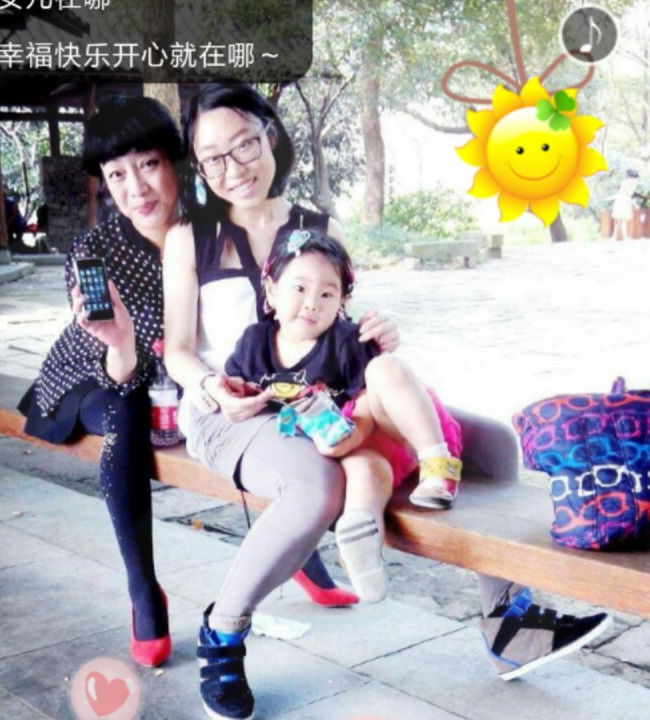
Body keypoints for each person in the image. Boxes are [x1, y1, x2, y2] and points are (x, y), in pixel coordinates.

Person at [163, 83, 611, 720]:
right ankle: (224, 631)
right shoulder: (192, 236)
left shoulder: (321, 226)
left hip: (329, 400)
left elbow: (341, 327)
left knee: (490, 446)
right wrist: (211, 387)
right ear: (199, 165)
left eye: (244, 145)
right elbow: (179, 351)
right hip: (234, 409)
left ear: (270, 135)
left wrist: (379, 332)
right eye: (213, 158)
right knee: (317, 485)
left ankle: (506, 622)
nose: (233, 168)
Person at [17, 94, 344, 671]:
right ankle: (144, 591)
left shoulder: (211, 224)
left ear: (176, 161)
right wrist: (122, 343)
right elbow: (121, 368)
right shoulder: (95, 250)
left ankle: (300, 554)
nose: (135, 188)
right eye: (116, 175)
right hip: (100, 375)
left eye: (147, 164)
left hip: (185, 382)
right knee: (124, 413)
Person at [225, 229, 463, 602]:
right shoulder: (254, 342)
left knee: (384, 368)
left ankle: (439, 466)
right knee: (364, 470)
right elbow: (233, 385)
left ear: (342, 301)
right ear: (270, 290)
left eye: (326, 294)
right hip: (338, 450)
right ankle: (361, 541)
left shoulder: (347, 341)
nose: (311, 304)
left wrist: (353, 435)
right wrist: (230, 397)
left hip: (386, 428)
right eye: (299, 288)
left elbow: (368, 403)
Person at [611, 169, 639, 241]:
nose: (634, 180)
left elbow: (628, 196)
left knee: (621, 222)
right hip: (622, 203)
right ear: (630, 177)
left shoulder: (628, 184)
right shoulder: (626, 183)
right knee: (621, 221)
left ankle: (616, 237)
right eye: (633, 178)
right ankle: (621, 238)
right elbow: (628, 194)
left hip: (624, 203)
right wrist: (635, 204)